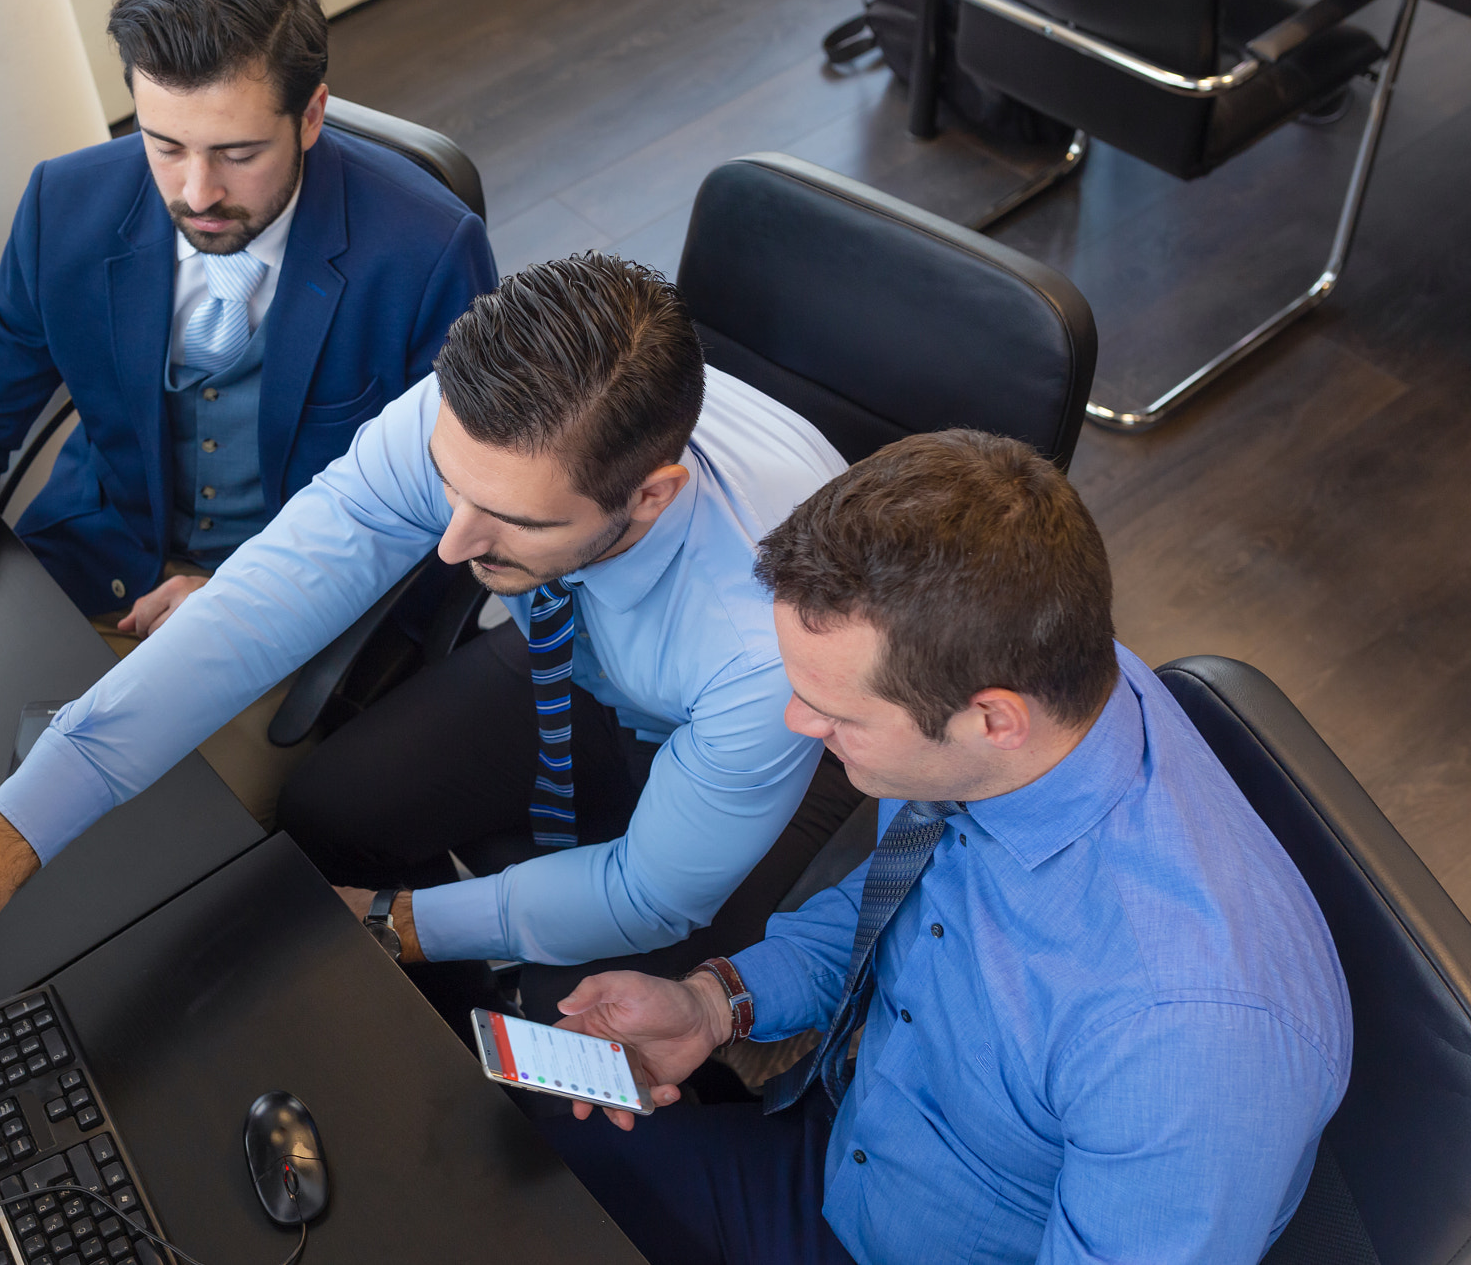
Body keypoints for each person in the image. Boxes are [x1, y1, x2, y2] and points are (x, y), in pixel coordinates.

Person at [0, 253, 854, 1067]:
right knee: (327, 810)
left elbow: (648, 894)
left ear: (648, 495)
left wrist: (396, 925)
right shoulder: (472, 424)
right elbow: (241, 621)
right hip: (576, 654)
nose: (450, 544)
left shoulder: (767, 647)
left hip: (753, 741)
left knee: (563, 1037)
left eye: (507, 519)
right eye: (450, 484)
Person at [539, 429, 1353, 1265]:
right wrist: (718, 1002)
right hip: (848, 1156)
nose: (798, 723)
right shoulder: (1029, 680)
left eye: (839, 714)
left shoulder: (1184, 1040)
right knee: (520, 1146)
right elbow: (895, 906)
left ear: (994, 718)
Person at [0, 0, 496, 818]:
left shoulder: (425, 253)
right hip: (83, 576)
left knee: (140, 856)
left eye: (237, 152)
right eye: (166, 146)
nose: (197, 192)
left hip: (290, 625)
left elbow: (448, 507)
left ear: (311, 116)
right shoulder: (66, 205)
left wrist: (246, 594)